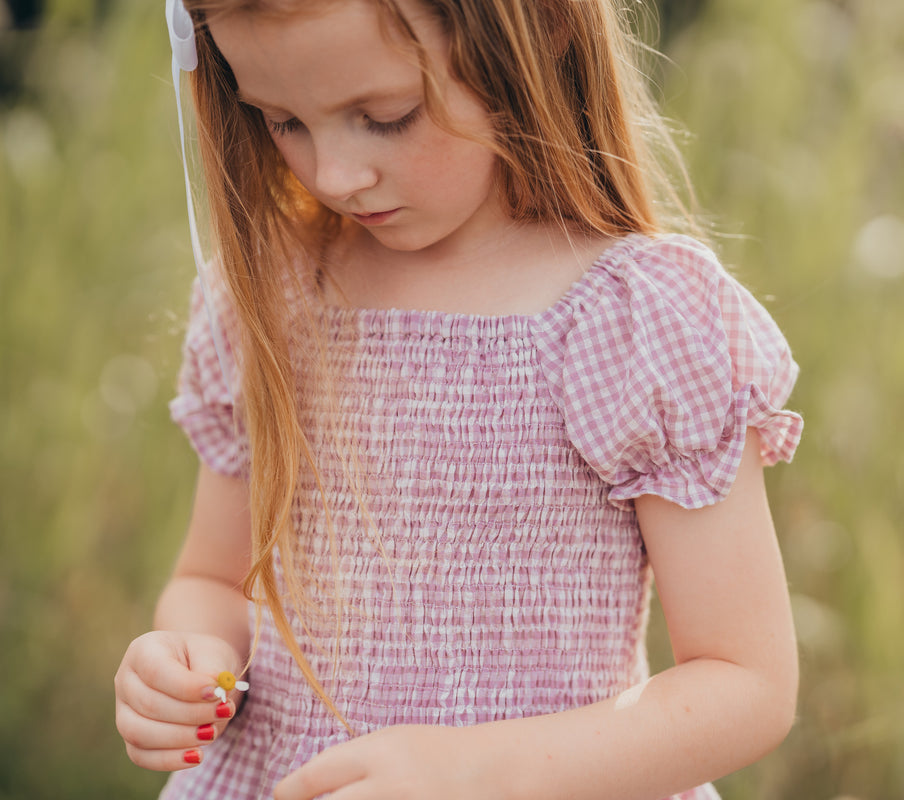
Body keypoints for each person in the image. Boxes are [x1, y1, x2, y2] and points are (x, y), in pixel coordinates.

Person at [113, 0, 804, 797]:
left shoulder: (630, 318)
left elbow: (747, 684)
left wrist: (479, 772)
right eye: (282, 121)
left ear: (533, 32)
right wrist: (188, 659)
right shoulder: (270, 298)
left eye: (385, 117)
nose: (333, 174)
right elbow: (212, 577)